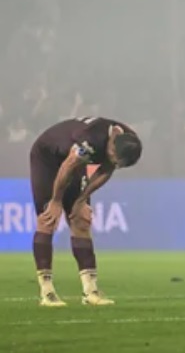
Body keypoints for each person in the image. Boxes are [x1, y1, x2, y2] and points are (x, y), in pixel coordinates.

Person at [30, 116, 142, 307]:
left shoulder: (128, 142)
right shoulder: (91, 139)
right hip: (49, 157)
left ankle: (90, 291)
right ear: (112, 145)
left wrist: (82, 200)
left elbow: (105, 170)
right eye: (114, 157)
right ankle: (46, 292)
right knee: (48, 218)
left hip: (76, 161)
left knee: (81, 220)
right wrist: (56, 201)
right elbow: (67, 166)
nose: (114, 162)